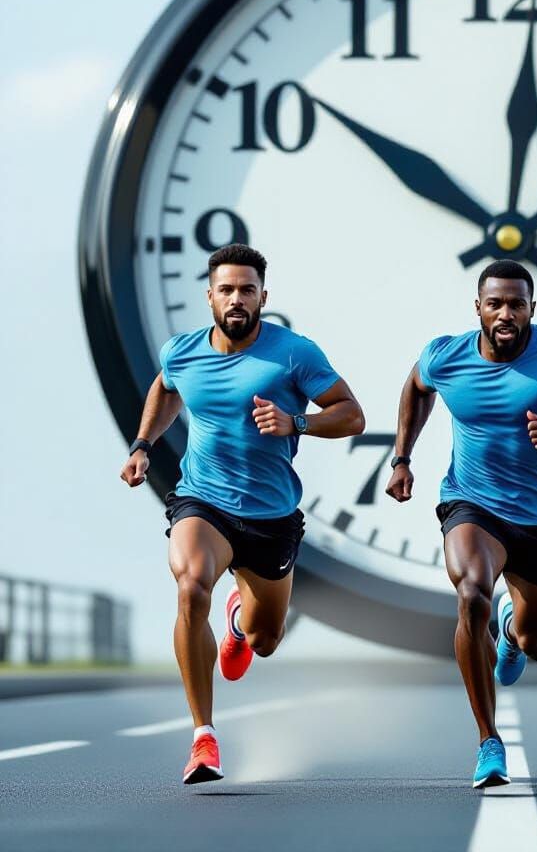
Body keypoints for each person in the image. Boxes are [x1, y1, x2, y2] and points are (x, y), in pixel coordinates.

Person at [119, 243, 364, 784]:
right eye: (226, 290)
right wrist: (142, 445)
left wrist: (296, 423)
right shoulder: (182, 351)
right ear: (210, 297)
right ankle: (203, 737)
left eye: (246, 290)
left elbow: (351, 415)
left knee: (264, 640)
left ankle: (238, 620)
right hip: (202, 501)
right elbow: (166, 388)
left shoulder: (294, 354)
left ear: (262, 297)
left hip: (270, 516)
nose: (236, 299)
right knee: (190, 586)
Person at [385, 260, 537, 788]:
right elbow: (416, 386)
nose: (505, 314)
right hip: (471, 504)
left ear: (531, 309)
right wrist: (402, 458)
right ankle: (487, 741)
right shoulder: (445, 355)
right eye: (495, 304)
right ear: (477, 307)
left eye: (516, 305)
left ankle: (512, 633)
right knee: (471, 592)